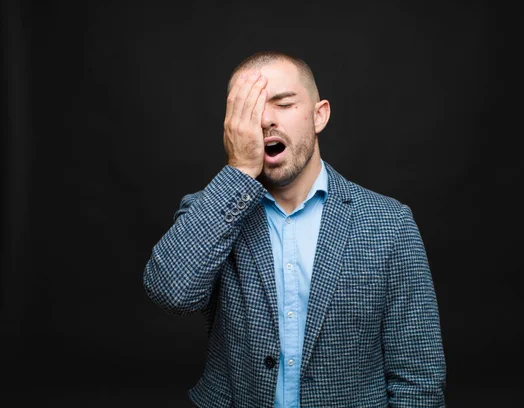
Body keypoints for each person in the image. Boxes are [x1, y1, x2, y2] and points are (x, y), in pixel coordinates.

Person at [143, 50, 446, 408]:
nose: (266, 120)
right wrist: (240, 170)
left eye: (283, 104)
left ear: (320, 115)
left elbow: (419, 376)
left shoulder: (389, 223)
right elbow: (171, 293)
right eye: (251, 110)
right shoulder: (210, 211)